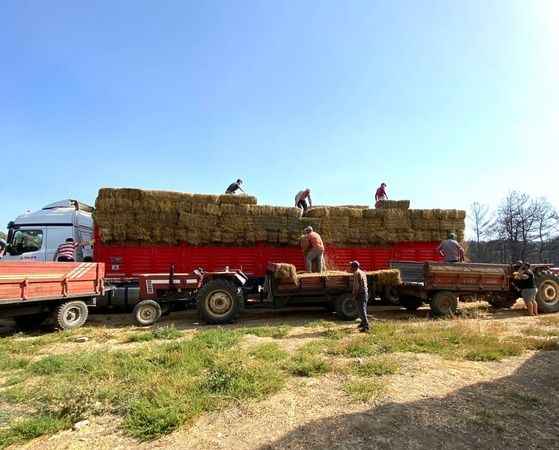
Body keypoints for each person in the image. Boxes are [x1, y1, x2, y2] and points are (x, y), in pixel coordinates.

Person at [351, 261, 369, 332]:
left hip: (360, 294)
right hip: (365, 292)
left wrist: (354, 295)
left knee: (361, 310)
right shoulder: (362, 272)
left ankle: (366, 326)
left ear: (354, 267)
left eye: (351, 267)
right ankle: (362, 323)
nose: (350, 268)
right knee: (362, 309)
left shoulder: (356, 273)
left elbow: (356, 286)